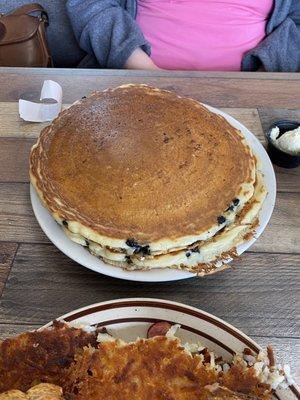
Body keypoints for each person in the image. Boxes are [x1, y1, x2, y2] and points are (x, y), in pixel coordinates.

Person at [65, 0, 300, 71]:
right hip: (132, 81)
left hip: (252, 93)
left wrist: (262, 77)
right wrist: (150, 75)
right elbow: (89, 4)